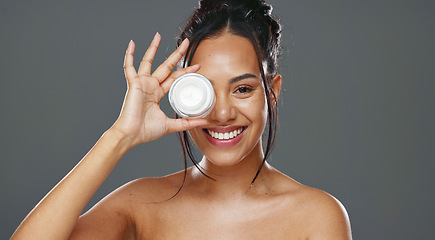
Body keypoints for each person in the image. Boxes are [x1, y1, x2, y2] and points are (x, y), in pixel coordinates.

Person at [12, 0, 352, 239]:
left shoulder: (316, 216)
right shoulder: (143, 204)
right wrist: (120, 136)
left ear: (272, 91)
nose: (221, 114)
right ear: (183, 93)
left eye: (243, 89)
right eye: (205, 90)